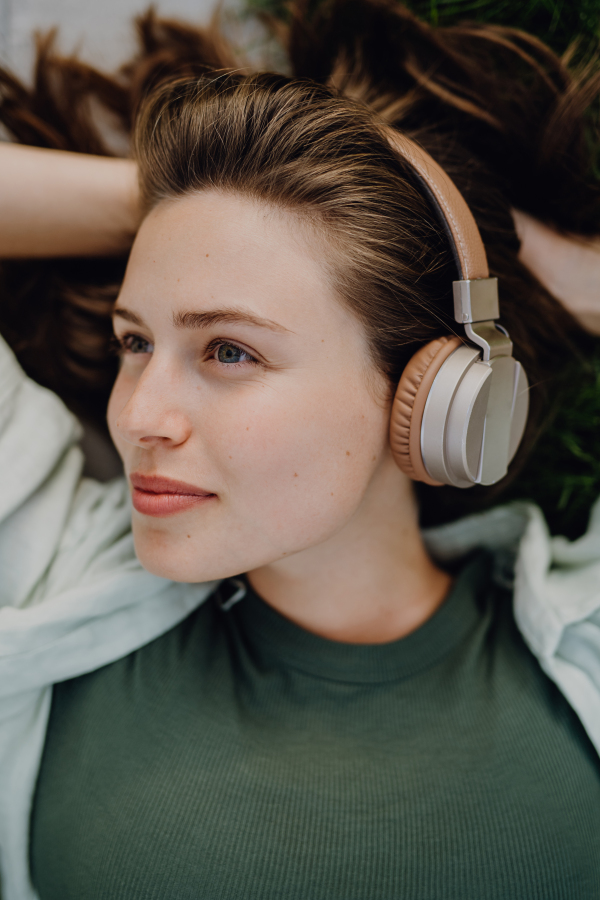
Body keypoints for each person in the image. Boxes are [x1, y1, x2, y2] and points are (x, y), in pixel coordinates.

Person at [0, 1, 599, 897]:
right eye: (136, 342)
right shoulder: (50, 567)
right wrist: (188, 210)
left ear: (433, 396)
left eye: (229, 351)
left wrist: (538, 268)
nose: (138, 415)